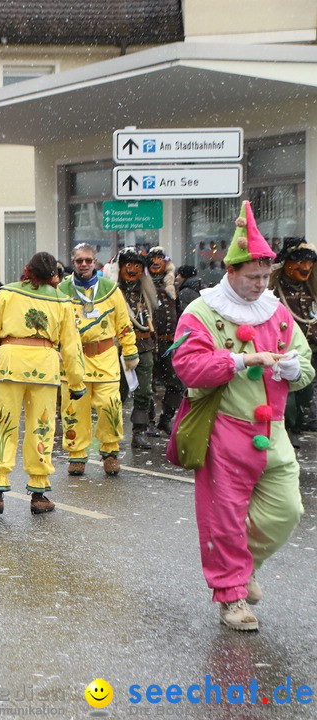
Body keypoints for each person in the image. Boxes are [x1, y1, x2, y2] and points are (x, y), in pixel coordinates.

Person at [168, 200, 312, 632]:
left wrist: (291, 368)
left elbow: (305, 364)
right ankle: (231, 597)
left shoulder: (278, 311)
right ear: (230, 272)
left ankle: (242, 568)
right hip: (224, 431)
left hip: (274, 431)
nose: (261, 285)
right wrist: (239, 361)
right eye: (253, 277)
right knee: (225, 518)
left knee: (287, 510)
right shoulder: (202, 311)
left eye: (266, 277)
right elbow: (188, 367)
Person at [0, 252, 86, 515]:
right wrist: (76, 381)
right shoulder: (62, 301)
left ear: (27, 270)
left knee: (1, 424)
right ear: (52, 275)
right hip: (44, 368)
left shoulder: (7, 294)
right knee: (42, 426)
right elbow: (71, 345)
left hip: (9, 364)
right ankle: (39, 492)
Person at [58, 243, 138, 476]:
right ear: (73, 263)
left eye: (88, 260)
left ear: (95, 262)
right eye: (79, 260)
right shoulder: (62, 290)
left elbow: (123, 324)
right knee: (74, 409)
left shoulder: (111, 290)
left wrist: (130, 350)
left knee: (110, 406)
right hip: (73, 360)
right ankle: (77, 455)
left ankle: (110, 451)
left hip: (105, 357)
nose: (84, 264)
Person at [104, 247, 157, 450]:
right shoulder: (112, 292)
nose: (132, 270)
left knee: (144, 391)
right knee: (118, 392)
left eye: (137, 266)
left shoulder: (147, 292)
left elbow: (156, 320)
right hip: (119, 348)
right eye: (129, 265)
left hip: (144, 346)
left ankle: (139, 432)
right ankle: (112, 432)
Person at [268, 237, 317, 446]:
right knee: (288, 393)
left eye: (309, 263)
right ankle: (289, 427)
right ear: (287, 263)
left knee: (306, 392)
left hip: (312, 349)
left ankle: (298, 423)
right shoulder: (274, 291)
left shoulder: (311, 290)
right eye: (300, 262)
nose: (305, 267)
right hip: (286, 349)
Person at [146, 247, 185, 436]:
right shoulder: (142, 286)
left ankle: (166, 419)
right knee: (147, 385)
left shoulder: (173, 287)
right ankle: (149, 422)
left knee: (176, 382)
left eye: (160, 258)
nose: (156, 262)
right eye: (153, 258)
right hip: (148, 343)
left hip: (169, 344)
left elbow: (180, 313)